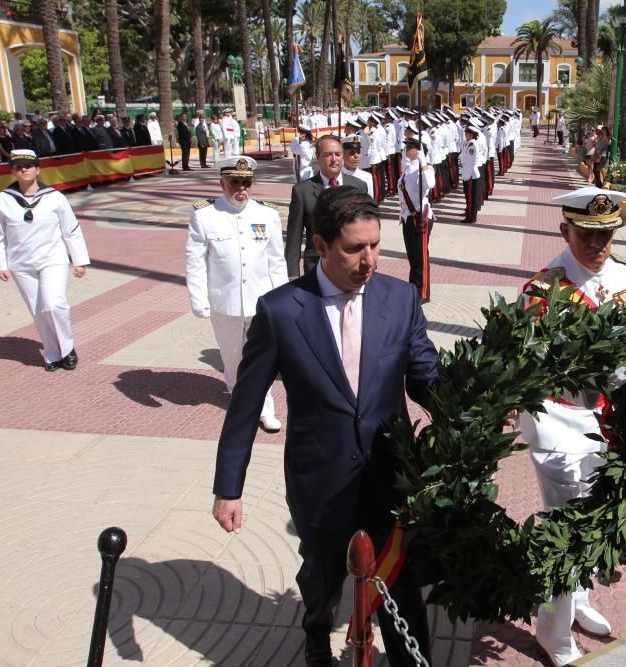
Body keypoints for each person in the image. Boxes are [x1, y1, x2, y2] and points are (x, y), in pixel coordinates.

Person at [212, 185, 438, 667]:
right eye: (356, 248)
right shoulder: (279, 312)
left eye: (376, 245)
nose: (371, 260)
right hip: (320, 479)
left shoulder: (399, 299)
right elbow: (246, 406)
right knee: (322, 577)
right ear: (320, 246)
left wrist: (474, 407)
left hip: (390, 476)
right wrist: (229, 487)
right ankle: (315, 634)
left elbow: (426, 378)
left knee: (401, 586)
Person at [517, 186, 626, 667]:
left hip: (602, 418)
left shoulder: (622, 275)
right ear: (565, 230)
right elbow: (529, 363)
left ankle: (578, 600)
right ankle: (552, 632)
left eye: (605, 234)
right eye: (586, 234)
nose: (597, 245)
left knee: (592, 515)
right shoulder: (545, 288)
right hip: (557, 419)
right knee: (568, 527)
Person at [185, 156, 287, 431]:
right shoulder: (204, 215)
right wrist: (198, 299)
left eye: (247, 182)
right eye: (235, 182)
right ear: (222, 183)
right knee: (232, 357)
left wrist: (282, 301)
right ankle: (238, 395)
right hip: (224, 301)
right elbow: (195, 262)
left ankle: (264, 409)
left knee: (261, 358)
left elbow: (276, 261)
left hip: (261, 302)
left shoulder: (267, 214)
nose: (241, 188)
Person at [0, 150, 89, 371]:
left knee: (54, 305)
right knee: (38, 310)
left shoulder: (54, 197)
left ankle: (67, 348)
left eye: (28, 165)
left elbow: (71, 229)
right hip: (21, 264)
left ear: (38, 168)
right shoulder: (3, 200)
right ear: (12, 171)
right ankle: (52, 353)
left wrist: (79, 260)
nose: (24, 169)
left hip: (52, 260)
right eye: (18, 167)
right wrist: (1, 264)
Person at [285, 135, 369, 279]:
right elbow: (294, 237)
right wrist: (292, 274)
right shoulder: (302, 191)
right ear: (318, 157)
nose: (334, 159)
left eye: (338, 154)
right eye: (328, 155)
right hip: (317, 267)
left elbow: (366, 229)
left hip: (352, 266)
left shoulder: (359, 186)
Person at [397, 137, 435, 303]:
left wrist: (423, 162)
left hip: (420, 217)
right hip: (407, 217)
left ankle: (423, 292)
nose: (406, 150)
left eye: (410, 148)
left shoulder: (424, 169)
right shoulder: (408, 169)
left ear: (417, 151)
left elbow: (431, 184)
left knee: (421, 256)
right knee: (412, 256)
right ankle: (413, 287)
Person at [459, 124, 481, 224]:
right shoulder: (466, 143)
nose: (465, 135)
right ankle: (469, 214)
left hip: (471, 174)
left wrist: (466, 176)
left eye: (467, 133)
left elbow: (470, 162)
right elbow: (463, 156)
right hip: (467, 173)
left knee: (471, 197)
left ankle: (472, 217)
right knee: (468, 196)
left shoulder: (473, 145)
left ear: (472, 135)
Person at [340, 134, 374, 199]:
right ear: (343, 155)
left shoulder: (367, 177)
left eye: (358, 152)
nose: (356, 156)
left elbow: (370, 202)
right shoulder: (337, 177)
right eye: (352, 152)